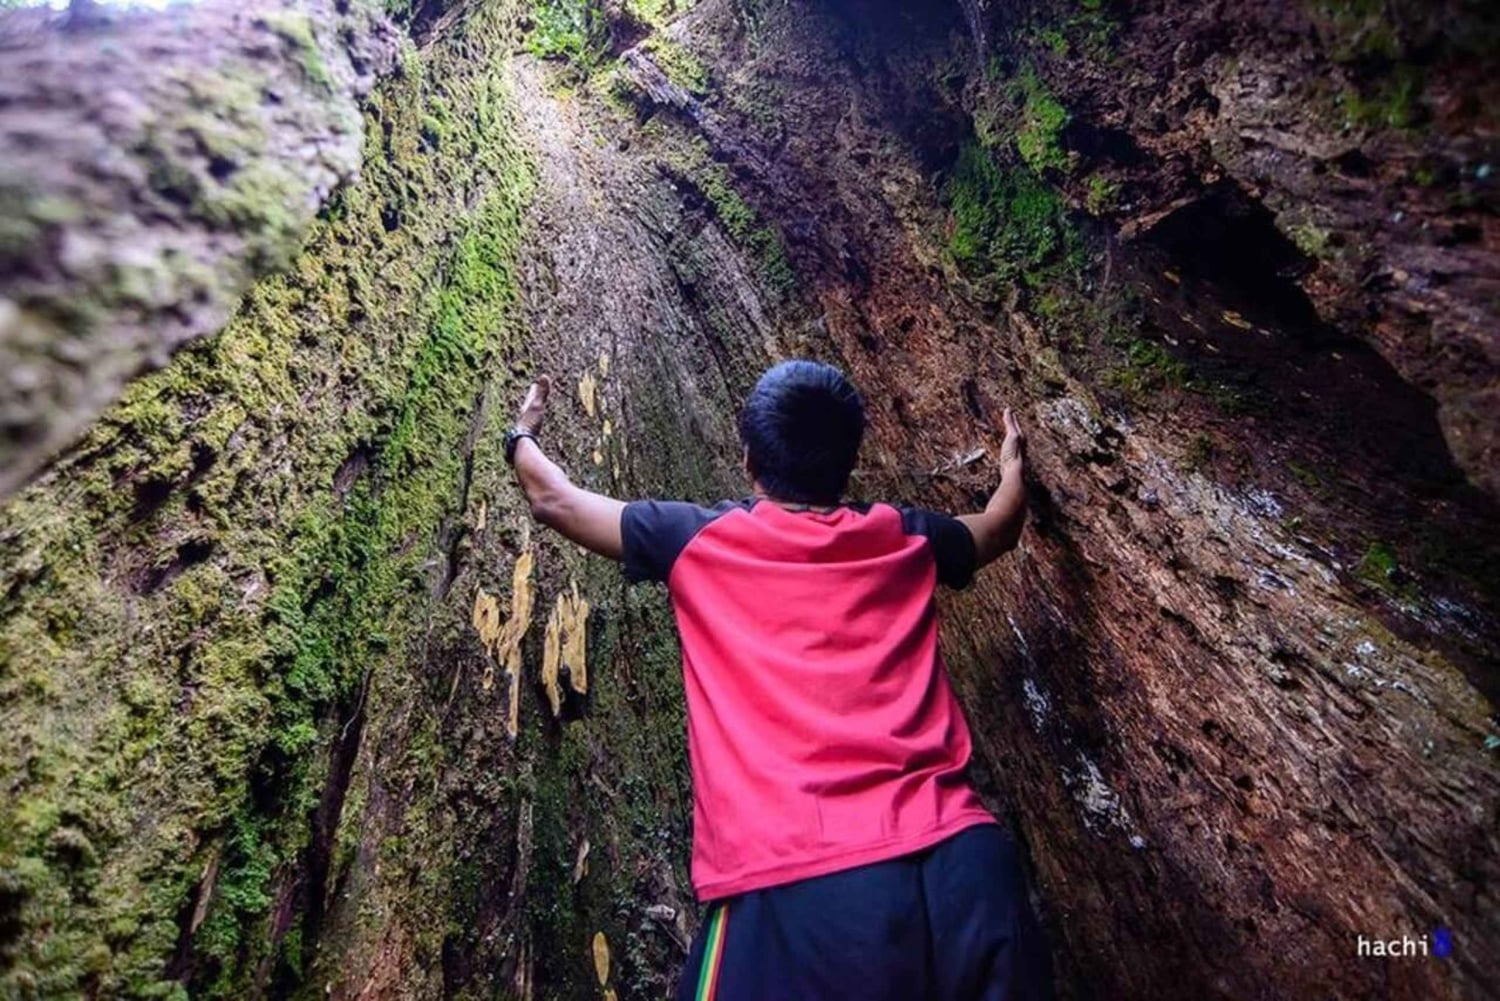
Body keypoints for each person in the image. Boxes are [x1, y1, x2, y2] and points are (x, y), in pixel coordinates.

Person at [506, 360, 1050, 1001]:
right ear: (849, 462)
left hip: (804, 885)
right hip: (970, 873)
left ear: (748, 459)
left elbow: (555, 500)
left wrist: (521, 435)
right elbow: (998, 527)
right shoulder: (907, 538)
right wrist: (1013, 468)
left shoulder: (698, 541)